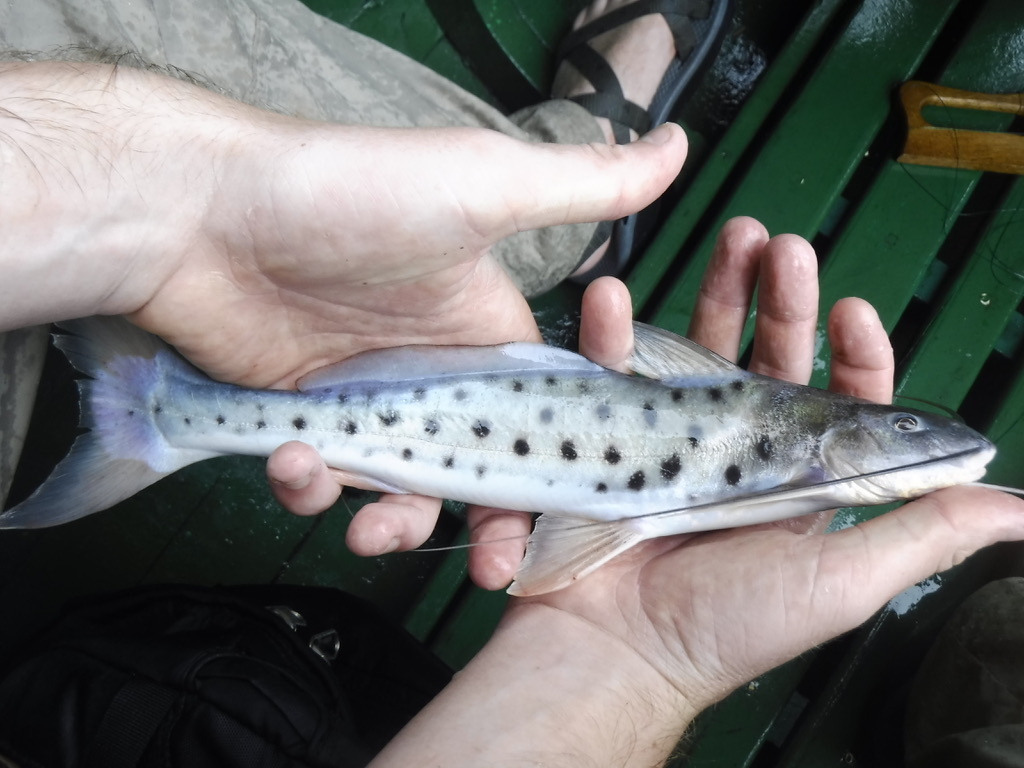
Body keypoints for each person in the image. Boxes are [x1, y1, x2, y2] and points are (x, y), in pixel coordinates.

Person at [3, 8, 1024, 768]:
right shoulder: (801, 446)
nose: (921, 441)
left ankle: (586, 135)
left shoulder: (805, 463)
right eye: (893, 426)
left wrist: (167, 210)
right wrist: (637, 674)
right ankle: (166, 396)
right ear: (839, 428)